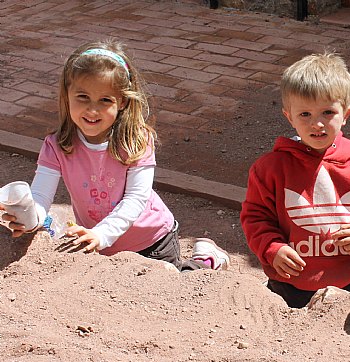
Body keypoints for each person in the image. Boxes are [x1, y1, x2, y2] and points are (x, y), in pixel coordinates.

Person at [0, 39, 229, 272]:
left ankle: (206, 260)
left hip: (151, 240)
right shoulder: (57, 145)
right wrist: (29, 218)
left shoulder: (136, 141)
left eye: (105, 100)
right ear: (66, 95)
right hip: (101, 242)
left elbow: (135, 199)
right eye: (82, 97)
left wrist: (102, 233)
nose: (92, 109)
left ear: (122, 102)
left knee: (177, 285)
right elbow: (40, 196)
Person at [240, 52, 350, 314]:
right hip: (290, 282)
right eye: (305, 114)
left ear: (346, 113)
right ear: (289, 116)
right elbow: (255, 217)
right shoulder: (270, 168)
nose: (317, 124)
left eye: (328, 112)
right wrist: (272, 248)